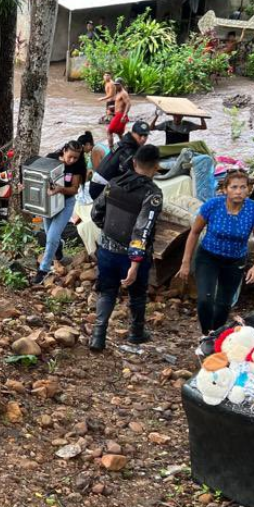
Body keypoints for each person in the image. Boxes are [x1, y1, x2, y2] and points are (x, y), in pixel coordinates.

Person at [89, 144, 163, 352]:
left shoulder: (114, 184)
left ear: (133, 162)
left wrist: (108, 233)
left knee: (106, 291)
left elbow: (96, 213)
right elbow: (143, 230)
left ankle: (98, 336)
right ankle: (136, 333)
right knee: (137, 293)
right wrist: (135, 263)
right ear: (156, 167)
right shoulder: (152, 194)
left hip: (107, 250)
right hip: (133, 257)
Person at [177, 171, 254, 335]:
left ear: (248, 189)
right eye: (234, 187)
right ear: (225, 189)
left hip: (235, 261)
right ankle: (206, 334)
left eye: (243, 187)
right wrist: (185, 262)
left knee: (224, 304)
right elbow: (194, 232)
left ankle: (216, 334)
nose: (238, 191)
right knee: (205, 299)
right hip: (208, 257)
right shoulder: (212, 205)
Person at [34, 140, 86, 283]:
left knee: (51, 237)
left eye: (76, 157)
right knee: (48, 232)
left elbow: (74, 189)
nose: (72, 160)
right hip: (50, 201)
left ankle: (43, 270)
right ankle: (59, 248)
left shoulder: (78, 166)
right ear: (63, 151)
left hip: (66, 202)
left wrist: (60, 189)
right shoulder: (51, 158)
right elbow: (39, 175)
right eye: (70, 156)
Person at [89, 120, 150, 200]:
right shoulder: (129, 150)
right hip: (100, 188)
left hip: (97, 183)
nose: (143, 139)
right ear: (133, 133)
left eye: (145, 135)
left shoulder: (124, 142)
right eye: (140, 135)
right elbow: (128, 174)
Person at [105, 78, 131, 148]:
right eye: (115, 84)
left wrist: (124, 115)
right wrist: (112, 110)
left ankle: (111, 148)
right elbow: (119, 104)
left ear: (121, 85)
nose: (116, 86)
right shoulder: (118, 92)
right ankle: (126, 147)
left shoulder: (123, 93)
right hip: (117, 114)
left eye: (117, 85)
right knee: (119, 133)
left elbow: (128, 104)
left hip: (121, 115)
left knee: (109, 131)